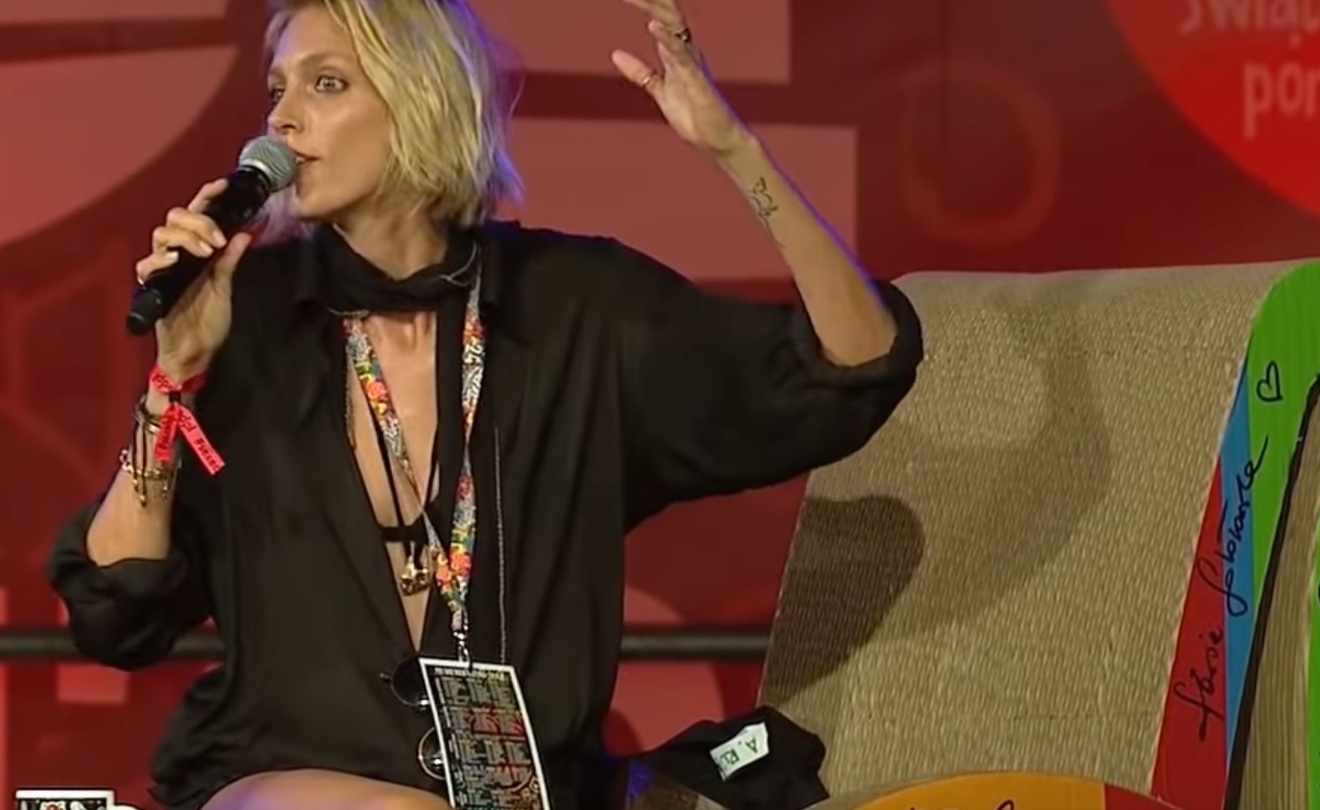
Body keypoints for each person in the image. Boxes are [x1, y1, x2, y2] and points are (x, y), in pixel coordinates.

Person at [46, 0, 922, 809]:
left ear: (422, 97)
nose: (281, 119)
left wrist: (736, 152)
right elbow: (115, 612)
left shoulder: (575, 306)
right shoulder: (246, 318)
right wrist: (173, 378)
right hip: (282, 781)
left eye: (326, 83)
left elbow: (854, 364)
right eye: (277, 89)